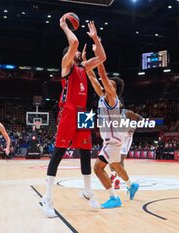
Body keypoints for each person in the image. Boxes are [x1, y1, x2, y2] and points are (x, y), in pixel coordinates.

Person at [41, 18, 107, 218]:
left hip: (84, 111)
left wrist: (96, 39)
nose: (79, 52)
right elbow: (75, 43)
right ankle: (48, 197)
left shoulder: (83, 67)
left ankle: (88, 191)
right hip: (69, 110)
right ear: (69, 56)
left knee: (86, 152)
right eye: (75, 53)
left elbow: (102, 57)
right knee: (59, 153)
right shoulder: (66, 66)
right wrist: (64, 26)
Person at [85, 41, 139, 209]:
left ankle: (113, 197)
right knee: (115, 165)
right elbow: (92, 76)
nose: (108, 85)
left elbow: (101, 75)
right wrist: (87, 61)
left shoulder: (112, 98)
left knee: (98, 168)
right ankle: (131, 185)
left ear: (114, 90)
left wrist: (99, 54)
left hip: (113, 140)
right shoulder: (102, 97)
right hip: (110, 140)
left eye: (111, 85)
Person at [109, 107, 142, 190]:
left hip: (126, 138)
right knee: (110, 158)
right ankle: (113, 174)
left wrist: (133, 127)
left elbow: (139, 118)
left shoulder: (127, 113)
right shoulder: (111, 113)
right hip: (117, 137)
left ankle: (117, 181)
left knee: (120, 160)